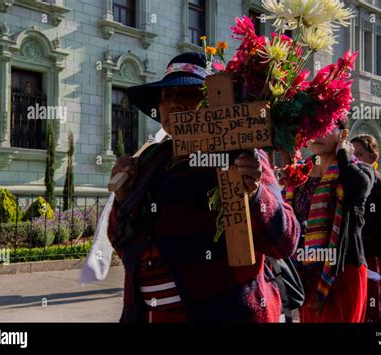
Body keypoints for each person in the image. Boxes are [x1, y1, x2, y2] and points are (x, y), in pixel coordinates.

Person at [107, 52, 300, 322]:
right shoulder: (149, 160)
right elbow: (120, 241)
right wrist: (122, 199)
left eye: (187, 93)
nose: (173, 103)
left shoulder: (240, 153)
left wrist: (255, 194)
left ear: (211, 103)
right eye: (166, 95)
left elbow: (286, 241)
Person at [283, 121, 374, 322]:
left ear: (343, 133)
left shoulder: (361, 170)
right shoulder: (299, 176)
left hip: (343, 270)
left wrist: (343, 153)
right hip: (307, 274)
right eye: (314, 128)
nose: (317, 133)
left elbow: (358, 187)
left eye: (325, 127)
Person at [351, 134, 381, 323]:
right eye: (352, 155)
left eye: (360, 155)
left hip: (378, 262)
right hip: (356, 261)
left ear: (373, 157)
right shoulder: (348, 187)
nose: (356, 160)